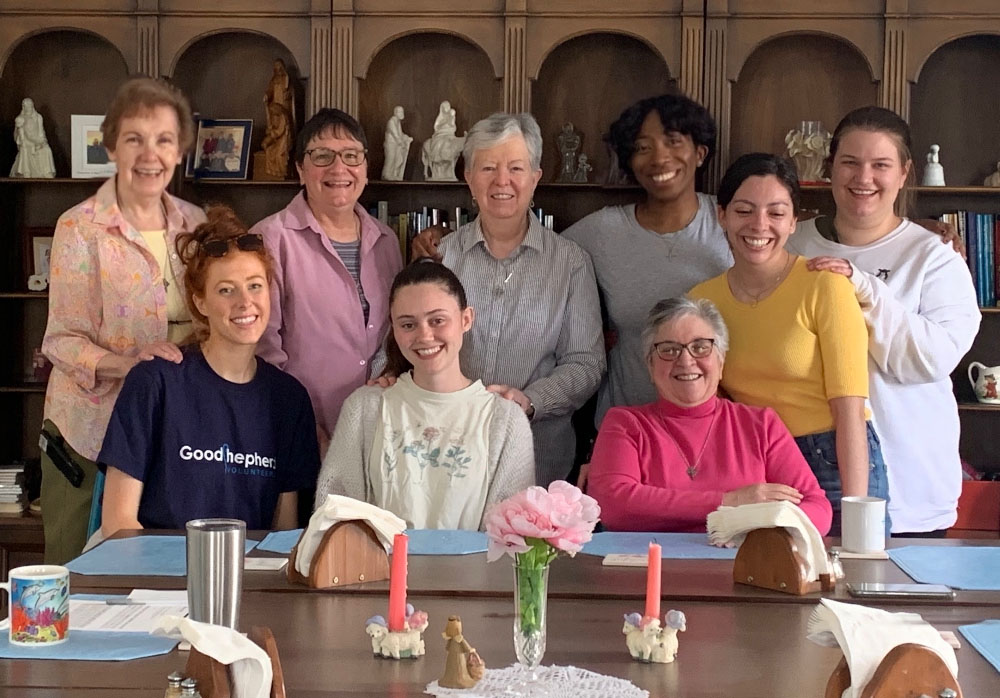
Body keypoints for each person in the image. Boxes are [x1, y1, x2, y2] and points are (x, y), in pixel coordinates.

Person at [788, 107, 980, 536]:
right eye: (850, 163)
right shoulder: (792, 244)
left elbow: (928, 359)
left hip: (911, 489)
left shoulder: (934, 257)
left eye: (880, 165)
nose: (864, 178)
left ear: (904, 172)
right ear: (830, 168)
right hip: (806, 484)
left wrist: (862, 286)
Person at [40, 76, 206, 564]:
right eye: (134, 139)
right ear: (111, 146)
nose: (149, 154)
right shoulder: (79, 226)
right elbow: (61, 340)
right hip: (89, 433)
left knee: (155, 573)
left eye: (164, 140)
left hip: (171, 429)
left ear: (180, 153)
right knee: (76, 573)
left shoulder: (195, 224)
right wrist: (127, 361)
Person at [689, 153, 885, 533]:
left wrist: (855, 508)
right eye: (744, 210)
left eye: (776, 213)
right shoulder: (702, 300)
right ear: (722, 215)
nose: (759, 225)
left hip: (832, 458)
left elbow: (850, 410)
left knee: (842, 579)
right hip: (754, 464)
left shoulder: (825, 285)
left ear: (794, 221)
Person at [99, 206, 319, 535]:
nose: (245, 302)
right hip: (157, 577)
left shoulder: (289, 399)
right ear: (200, 303)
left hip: (246, 578)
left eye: (255, 286)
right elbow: (118, 525)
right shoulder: (155, 382)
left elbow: (282, 532)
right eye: (226, 290)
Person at [423, 112, 603, 485]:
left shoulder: (570, 263)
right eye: (487, 167)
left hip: (538, 461)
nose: (502, 181)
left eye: (516, 168)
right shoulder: (440, 257)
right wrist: (384, 376)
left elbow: (585, 363)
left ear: (535, 178)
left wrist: (530, 400)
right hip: (442, 458)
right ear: (469, 179)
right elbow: (398, 344)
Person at [316, 261, 534, 530]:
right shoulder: (365, 408)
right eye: (408, 325)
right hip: (379, 571)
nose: (425, 335)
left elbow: (510, 535)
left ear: (466, 319)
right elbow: (336, 513)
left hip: (475, 572)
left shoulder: (506, 420)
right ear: (394, 329)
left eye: (437, 320)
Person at [588, 297, 832, 534]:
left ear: (721, 360)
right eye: (669, 350)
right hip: (649, 569)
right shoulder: (625, 424)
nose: (685, 360)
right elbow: (613, 505)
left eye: (701, 347)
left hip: (745, 569)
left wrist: (753, 520)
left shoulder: (761, 425)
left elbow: (819, 511)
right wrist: (731, 502)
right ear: (650, 366)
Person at [561, 95, 732, 425]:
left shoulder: (731, 220)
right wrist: (440, 240)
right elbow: (531, 250)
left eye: (673, 141)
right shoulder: (603, 231)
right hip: (628, 432)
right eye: (642, 147)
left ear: (700, 153)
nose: (659, 158)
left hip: (719, 435)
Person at [252, 109, 403, 454]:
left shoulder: (387, 241)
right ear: (300, 170)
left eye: (351, 156)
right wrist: (299, 420)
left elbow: (393, 335)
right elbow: (260, 346)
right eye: (322, 156)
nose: (339, 169)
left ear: (365, 168)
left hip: (379, 431)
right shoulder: (270, 239)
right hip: (297, 431)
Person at [10, 97, 55, 178]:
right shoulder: (20, 119)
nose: (28, 108)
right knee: (25, 148)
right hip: (26, 141)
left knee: (46, 149)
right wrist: (26, 141)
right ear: (23, 107)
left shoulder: (38, 117)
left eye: (30, 106)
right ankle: (26, 171)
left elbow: (41, 132)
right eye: (26, 106)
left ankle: (47, 172)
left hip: (37, 140)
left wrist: (41, 141)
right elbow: (20, 136)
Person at [381, 105, 412, 181]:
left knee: (398, 159)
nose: (402, 113)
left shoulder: (398, 122)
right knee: (391, 159)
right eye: (400, 112)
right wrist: (401, 142)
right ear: (395, 113)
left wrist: (406, 138)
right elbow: (395, 134)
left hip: (396, 146)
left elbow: (400, 134)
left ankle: (394, 174)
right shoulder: (391, 122)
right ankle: (387, 175)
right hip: (391, 145)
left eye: (402, 112)